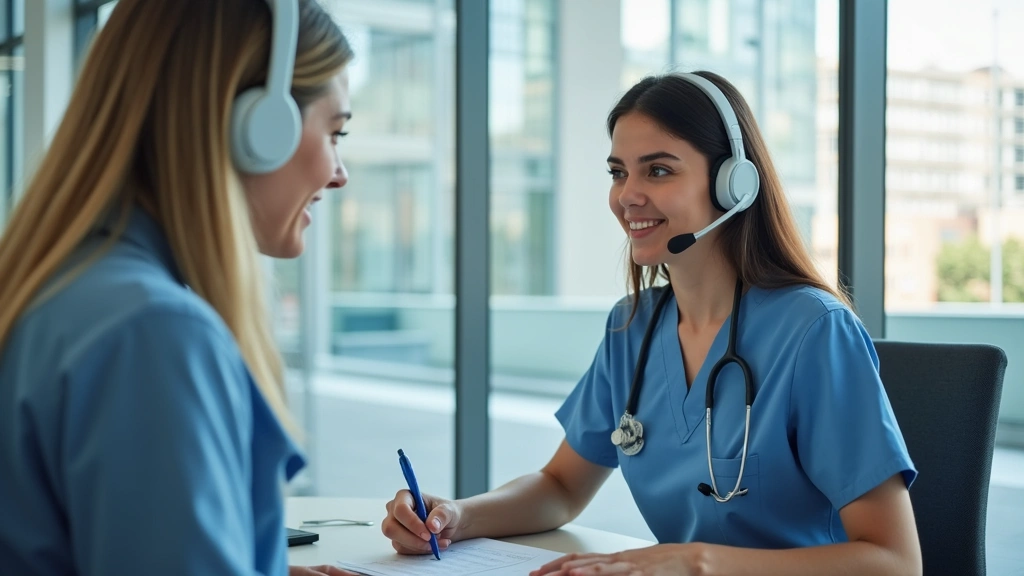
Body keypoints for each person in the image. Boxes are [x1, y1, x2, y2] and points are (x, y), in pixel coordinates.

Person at [381, 71, 923, 575]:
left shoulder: (813, 331)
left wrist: (697, 563)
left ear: (734, 184)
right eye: (619, 172)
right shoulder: (632, 328)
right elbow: (562, 486)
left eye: (658, 170)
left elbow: (895, 561)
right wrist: (455, 516)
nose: (627, 196)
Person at [0, 1, 359, 574]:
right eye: (336, 132)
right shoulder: (155, 333)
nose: (340, 173)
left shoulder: (67, 286)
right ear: (258, 128)